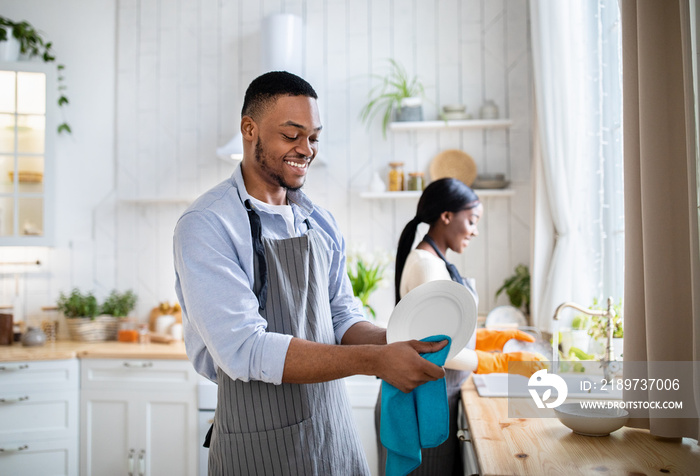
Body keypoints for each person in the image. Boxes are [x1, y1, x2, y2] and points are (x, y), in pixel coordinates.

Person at [173, 71, 449, 476]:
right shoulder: (208, 224)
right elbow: (245, 348)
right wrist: (377, 360)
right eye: (291, 135)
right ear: (250, 130)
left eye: (314, 137)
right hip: (258, 443)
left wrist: (397, 341)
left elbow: (340, 314)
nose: (306, 149)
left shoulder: (318, 221)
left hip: (332, 435)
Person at [374, 178, 546, 476]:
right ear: (447, 216)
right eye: (472, 220)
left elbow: (442, 332)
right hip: (419, 405)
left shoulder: (434, 261)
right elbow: (435, 347)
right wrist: (497, 361)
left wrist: (489, 337)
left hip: (432, 396)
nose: (475, 230)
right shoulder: (427, 265)